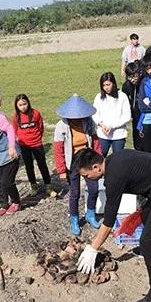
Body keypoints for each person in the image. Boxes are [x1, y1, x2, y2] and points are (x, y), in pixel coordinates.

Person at [72, 148, 151, 302]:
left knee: (148, 242)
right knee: (146, 217)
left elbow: (109, 221)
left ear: (96, 167)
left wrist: (93, 248)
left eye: (86, 176)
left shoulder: (114, 176)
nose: (86, 179)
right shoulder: (112, 161)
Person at [53, 94, 102, 235]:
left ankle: (90, 214)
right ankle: (74, 219)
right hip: (73, 162)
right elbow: (58, 149)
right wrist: (62, 170)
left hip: (88, 159)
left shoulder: (88, 122)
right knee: (74, 193)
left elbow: (95, 140)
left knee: (94, 189)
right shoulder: (61, 126)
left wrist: (98, 158)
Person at [11, 94, 55, 197]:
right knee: (29, 166)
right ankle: (34, 185)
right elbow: (14, 130)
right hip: (24, 145)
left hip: (37, 143)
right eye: (20, 105)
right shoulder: (16, 117)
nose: (23, 107)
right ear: (17, 106)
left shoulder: (35, 113)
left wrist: (38, 138)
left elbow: (40, 127)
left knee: (42, 164)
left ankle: (48, 185)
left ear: (28, 103)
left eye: (25, 104)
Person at [92, 72, 131, 156]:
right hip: (103, 134)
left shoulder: (122, 97)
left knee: (117, 159)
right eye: (104, 85)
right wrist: (101, 124)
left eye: (108, 84)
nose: (106, 88)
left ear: (113, 83)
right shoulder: (98, 97)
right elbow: (94, 113)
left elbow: (127, 116)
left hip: (118, 135)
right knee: (100, 157)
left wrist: (112, 126)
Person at [122, 61, 144, 151]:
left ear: (139, 74)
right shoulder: (126, 86)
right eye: (130, 77)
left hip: (145, 115)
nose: (133, 79)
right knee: (137, 140)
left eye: (135, 76)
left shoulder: (145, 83)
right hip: (135, 116)